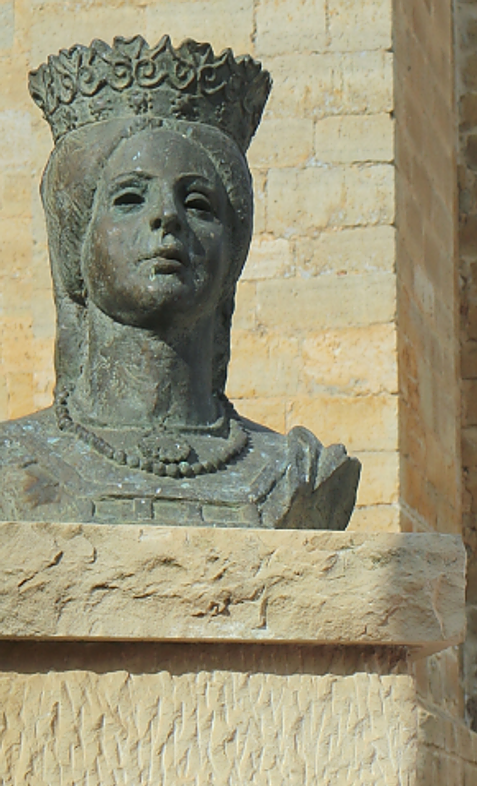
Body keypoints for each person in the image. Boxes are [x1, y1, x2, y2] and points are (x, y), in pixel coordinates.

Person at [0, 36, 359, 528]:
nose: (167, 217)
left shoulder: (296, 476)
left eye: (197, 204)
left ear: (230, 254)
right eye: (129, 198)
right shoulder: (11, 463)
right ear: (75, 245)